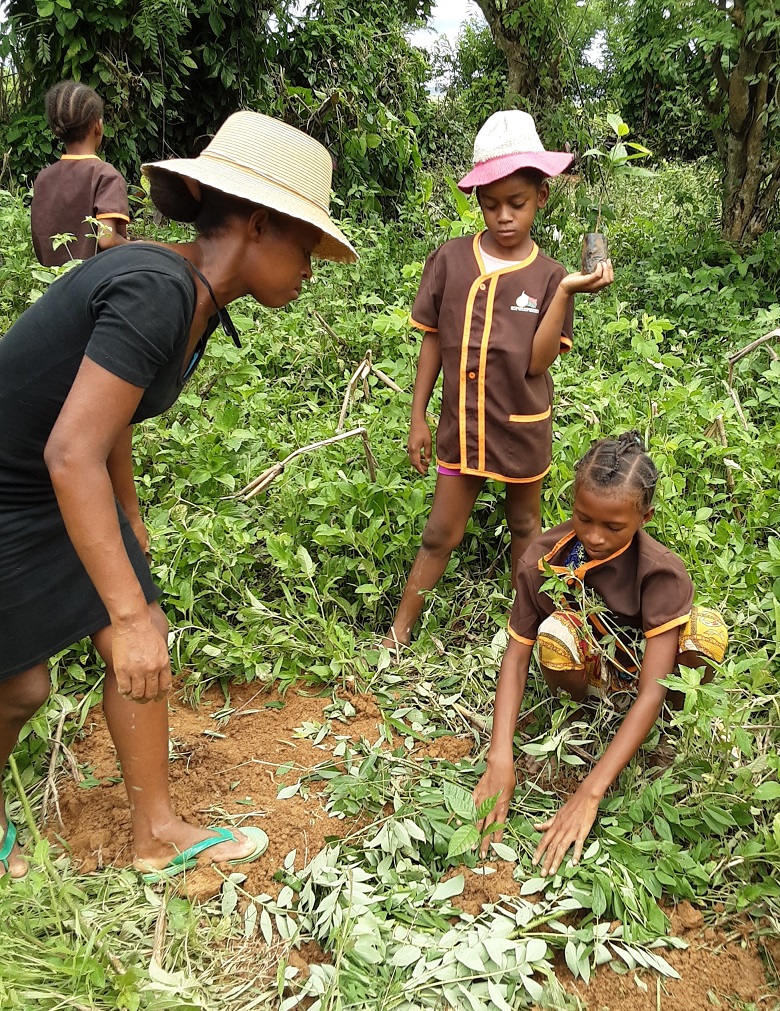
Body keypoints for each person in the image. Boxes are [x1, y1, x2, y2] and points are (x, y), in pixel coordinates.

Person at [0, 110, 357, 879]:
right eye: (305, 245)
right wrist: (122, 611)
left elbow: (101, 413)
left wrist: (127, 519)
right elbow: (71, 450)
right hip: (13, 487)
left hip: (49, 482)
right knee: (25, 679)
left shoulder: (192, 298)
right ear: (258, 225)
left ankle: (155, 831)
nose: (310, 269)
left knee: (147, 631)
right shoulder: (157, 288)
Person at [382, 111, 613, 652]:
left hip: (520, 424)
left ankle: (524, 633)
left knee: (526, 527)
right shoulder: (449, 260)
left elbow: (537, 365)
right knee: (440, 532)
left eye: (518, 204)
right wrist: (417, 416)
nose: (504, 217)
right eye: (491, 205)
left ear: (542, 198)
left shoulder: (552, 275)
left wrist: (564, 295)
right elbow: (433, 340)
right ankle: (397, 635)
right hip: (460, 425)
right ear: (477, 199)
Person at [472, 432, 728, 876]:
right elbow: (515, 658)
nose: (593, 536)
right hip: (594, 677)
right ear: (571, 501)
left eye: (613, 527)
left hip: (649, 679)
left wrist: (589, 794)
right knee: (555, 632)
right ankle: (585, 713)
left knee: (705, 633)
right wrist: (500, 758)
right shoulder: (543, 559)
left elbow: (652, 687)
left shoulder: (659, 572)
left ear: (644, 516)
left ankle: (664, 732)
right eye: (583, 517)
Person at [31, 80, 130, 266]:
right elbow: (107, 240)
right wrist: (137, 246)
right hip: (95, 287)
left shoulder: (43, 177)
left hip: (52, 283)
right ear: (98, 126)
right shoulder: (106, 176)